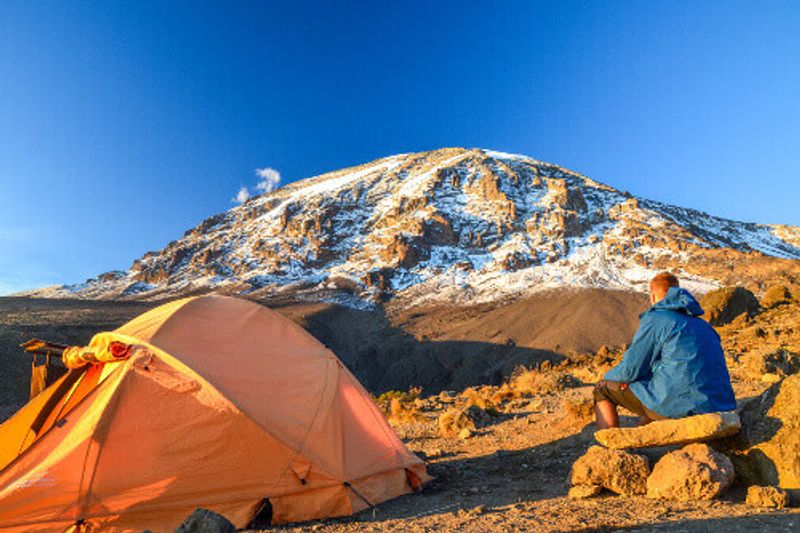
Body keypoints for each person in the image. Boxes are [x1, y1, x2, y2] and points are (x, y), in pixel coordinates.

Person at [594, 272, 736, 429]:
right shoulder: (703, 325)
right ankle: (642, 433)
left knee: (602, 389)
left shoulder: (657, 319)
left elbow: (631, 369)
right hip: (720, 405)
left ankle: (610, 448)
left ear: (653, 296)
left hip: (682, 405)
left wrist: (612, 379)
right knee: (654, 386)